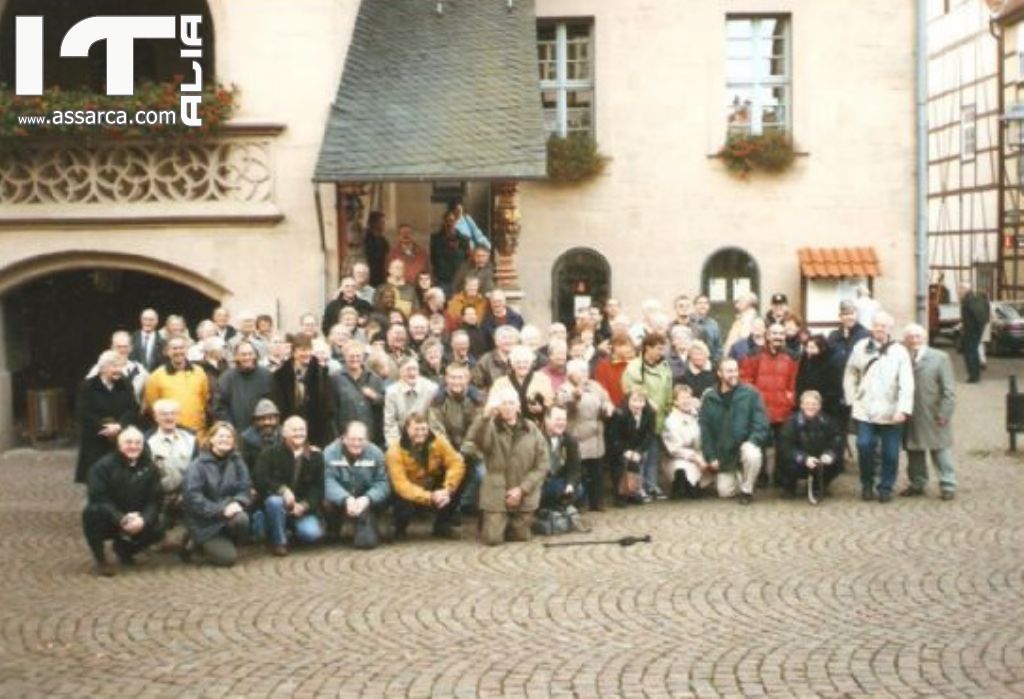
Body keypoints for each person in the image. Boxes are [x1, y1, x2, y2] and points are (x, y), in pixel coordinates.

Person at [843, 311, 915, 503]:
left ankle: (886, 487)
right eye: (876, 325)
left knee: (890, 453)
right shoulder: (860, 347)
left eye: (883, 326)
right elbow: (850, 373)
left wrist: (903, 408)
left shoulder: (899, 351)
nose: (879, 329)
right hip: (865, 408)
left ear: (890, 328)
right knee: (864, 445)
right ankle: (867, 483)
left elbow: (907, 382)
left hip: (891, 410)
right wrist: (852, 398)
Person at [467, 386, 549, 545]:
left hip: (523, 491)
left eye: (511, 403)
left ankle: (514, 520)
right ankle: (490, 518)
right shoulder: (489, 427)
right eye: (503, 403)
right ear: (498, 407)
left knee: (521, 536)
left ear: (518, 406)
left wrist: (522, 489)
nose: (508, 407)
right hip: (497, 490)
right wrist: (484, 418)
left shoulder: (532, 429)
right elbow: (474, 439)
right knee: (493, 539)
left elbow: (542, 464)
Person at [82, 427, 164, 576]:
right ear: (119, 445)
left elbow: (155, 499)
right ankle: (100, 560)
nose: (133, 446)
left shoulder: (150, 467)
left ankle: (125, 549)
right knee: (91, 513)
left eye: (138, 443)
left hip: (137, 516)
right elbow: (98, 498)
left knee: (159, 528)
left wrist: (144, 520)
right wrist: (121, 518)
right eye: (128, 442)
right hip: (109, 516)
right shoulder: (101, 467)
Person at [699, 358, 770, 504]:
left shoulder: (751, 394)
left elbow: (761, 423)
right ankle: (741, 475)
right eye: (729, 371)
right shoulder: (709, 397)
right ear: (719, 373)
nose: (734, 374)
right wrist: (711, 457)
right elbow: (705, 431)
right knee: (725, 492)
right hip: (724, 453)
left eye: (736, 370)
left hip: (745, 445)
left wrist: (752, 441)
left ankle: (747, 489)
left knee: (752, 454)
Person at [182, 422, 252, 567]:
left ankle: (226, 542)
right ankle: (196, 541)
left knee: (242, 519)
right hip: (204, 522)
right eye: (220, 436)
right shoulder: (197, 465)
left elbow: (245, 487)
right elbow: (193, 499)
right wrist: (221, 510)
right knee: (228, 560)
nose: (225, 439)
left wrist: (238, 502)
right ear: (211, 439)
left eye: (229, 436)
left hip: (228, 517)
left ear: (233, 441)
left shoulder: (237, 461)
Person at [386, 412, 466, 540]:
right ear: (406, 429)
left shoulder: (439, 441)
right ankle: (399, 527)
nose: (420, 433)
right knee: (398, 493)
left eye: (424, 429)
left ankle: (442, 524)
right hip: (409, 490)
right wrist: (430, 497)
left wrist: (447, 489)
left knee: (461, 474)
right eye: (416, 429)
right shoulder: (394, 451)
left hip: (433, 486)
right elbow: (401, 485)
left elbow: (456, 462)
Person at [252, 416, 325, 556]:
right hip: (277, 505)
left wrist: (304, 506)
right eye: (294, 430)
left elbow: (318, 489)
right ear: (284, 433)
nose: (299, 433)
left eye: (302, 430)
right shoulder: (270, 453)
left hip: (301, 509)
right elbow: (259, 478)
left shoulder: (316, 456)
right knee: (274, 501)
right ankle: (279, 542)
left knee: (312, 534)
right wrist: (282, 490)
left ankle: (286, 531)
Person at [902, 323, 958, 500]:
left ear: (924, 337)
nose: (914, 340)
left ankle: (948, 484)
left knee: (940, 450)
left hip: (933, 412)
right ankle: (917, 482)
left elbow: (949, 390)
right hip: (910, 412)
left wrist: (945, 413)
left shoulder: (940, 357)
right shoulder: (903, 357)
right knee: (914, 449)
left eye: (917, 336)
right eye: (910, 337)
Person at [742, 322, 798, 481]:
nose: (778, 337)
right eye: (774, 333)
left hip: (783, 409)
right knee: (760, 444)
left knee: (783, 446)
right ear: (767, 335)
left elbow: (795, 382)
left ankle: (781, 478)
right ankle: (761, 476)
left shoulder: (792, 356)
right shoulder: (753, 355)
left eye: (781, 334)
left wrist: (790, 399)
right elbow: (746, 380)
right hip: (761, 409)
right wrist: (752, 403)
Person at [322, 421, 391, 549]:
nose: (356, 443)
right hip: (340, 500)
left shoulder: (376, 454)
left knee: (366, 543)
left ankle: (369, 524)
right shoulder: (330, 452)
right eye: (352, 439)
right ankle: (333, 529)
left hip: (365, 502)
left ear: (367, 440)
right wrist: (346, 499)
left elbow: (383, 483)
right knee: (327, 502)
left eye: (361, 440)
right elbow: (328, 481)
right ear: (343, 438)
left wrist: (367, 499)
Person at [75, 350, 139, 484]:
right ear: (103, 368)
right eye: (114, 366)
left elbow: (132, 408)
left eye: (120, 366)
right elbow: (84, 413)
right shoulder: (88, 386)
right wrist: (104, 428)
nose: (118, 370)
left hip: (120, 440)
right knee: (97, 481)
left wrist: (120, 425)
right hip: (96, 441)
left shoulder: (125, 384)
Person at [622, 333, 673, 499]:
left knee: (654, 455)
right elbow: (631, 388)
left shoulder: (664, 367)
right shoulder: (635, 367)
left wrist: (668, 408)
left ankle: (652, 485)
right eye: (658, 348)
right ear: (647, 348)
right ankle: (638, 487)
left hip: (660, 418)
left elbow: (668, 390)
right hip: (642, 417)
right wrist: (648, 401)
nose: (661, 352)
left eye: (663, 348)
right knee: (642, 453)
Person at [558, 359, 613, 511]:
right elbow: (564, 404)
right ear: (571, 374)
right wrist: (576, 396)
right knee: (579, 470)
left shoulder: (595, 386)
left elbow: (606, 400)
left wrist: (607, 407)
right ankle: (580, 502)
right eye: (580, 371)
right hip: (577, 434)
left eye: (586, 370)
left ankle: (598, 501)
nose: (585, 374)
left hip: (595, 435)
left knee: (597, 470)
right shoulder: (564, 388)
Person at [428, 363, 484, 514]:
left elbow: (477, 428)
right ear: (446, 379)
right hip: (447, 450)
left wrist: (464, 452)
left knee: (481, 474)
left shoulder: (478, 399)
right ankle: (446, 512)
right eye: (452, 377)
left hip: (473, 449)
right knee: (442, 473)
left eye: (460, 377)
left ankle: (470, 507)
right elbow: (436, 429)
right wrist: (451, 453)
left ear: (467, 379)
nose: (456, 381)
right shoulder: (437, 400)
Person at [146, 399, 197, 546]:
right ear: (155, 417)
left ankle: (190, 535)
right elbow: (146, 479)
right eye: (164, 414)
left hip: (187, 496)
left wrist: (184, 493)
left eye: (173, 413)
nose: (169, 417)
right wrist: (159, 495)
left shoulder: (191, 440)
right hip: (159, 498)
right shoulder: (146, 442)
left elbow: (197, 472)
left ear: (178, 416)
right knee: (153, 534)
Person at [270, 334, 336, 447]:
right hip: (290, 430)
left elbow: (329, 405)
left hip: (316, 433)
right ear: (294, 352)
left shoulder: (321, 374)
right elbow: (278, 404)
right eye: (302, 350)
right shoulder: (280, 375)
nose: (306, 354)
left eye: (308, 350)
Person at [776, 390, 844, 499]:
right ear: (801, 405)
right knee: (787, 462)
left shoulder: (827, 422)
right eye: (807, 404)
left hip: (819, 460)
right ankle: (789, 487)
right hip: (799, 460)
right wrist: (804, 459)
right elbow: (785, 447)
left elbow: (836, 440)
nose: (810, 407)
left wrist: (829, 454)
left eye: (814, 404)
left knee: (836, 462)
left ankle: (819, 485)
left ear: (819, 406)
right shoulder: (791, 422)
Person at [143, 336, 210, 434]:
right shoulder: (156, 376)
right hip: (170, 431)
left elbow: (205, 399)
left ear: (187, 350)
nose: (178, 351)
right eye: (174, 348)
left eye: (181, 348)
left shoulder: (199, 372)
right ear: (167, 351)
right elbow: (153, 406)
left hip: (197, 431)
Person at [607, 387, 658, 505]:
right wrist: (625, 451)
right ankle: (620, 495)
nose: (638, 404)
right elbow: (613, 437)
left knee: (636, 463)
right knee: (620, 464)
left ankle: (633, 492)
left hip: (637, 447)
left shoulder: (650, 413)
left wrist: (638, 451)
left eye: (641, 401)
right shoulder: (620, 414)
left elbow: (649, 435)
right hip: (619, 447)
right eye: (634, 400)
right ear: (628, 401)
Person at [331, 340, 385, 447]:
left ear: (363, 357)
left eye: (358, 356)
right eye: (351, 356)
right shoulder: (335, 379)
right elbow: (332, 411)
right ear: (345, 356)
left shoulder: (374, 379)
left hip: (370, 437)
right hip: (345, 436)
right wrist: (337, 436)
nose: (355, 359)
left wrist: (375, 397)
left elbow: (385, 405)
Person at [662, 384, 712, 499]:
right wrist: (696, 458)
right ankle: (680, 484)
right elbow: (675, 449)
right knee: (682, 470)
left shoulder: (697, 415)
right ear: (675, 402)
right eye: (682, 398)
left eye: (688, 397)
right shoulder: (670, 421)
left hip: (699, 454)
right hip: (678, 458)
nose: (686, 401)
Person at [827, 300, 870, 431]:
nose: (848, 317)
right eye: (845, 314)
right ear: (840, 316)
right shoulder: (834, 336)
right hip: (837, 389)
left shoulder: (865, 335)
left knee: (859, 430)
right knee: (838, 429)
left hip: (858, 390)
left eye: (851, 313)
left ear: (856, 314)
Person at [214, 340, 273, 431]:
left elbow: (273, 403)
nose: (247, 357)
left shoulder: (266, 376)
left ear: (255, 355)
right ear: (236, 357)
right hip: (236, 432)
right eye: (243, 355)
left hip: (262, 431)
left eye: (250, 354)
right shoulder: (226, 378)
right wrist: (231, 428)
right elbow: (220, 407)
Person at [489, 345, 554, 423]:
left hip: (537, 425)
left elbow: (551, 405)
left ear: (531, 363)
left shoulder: (543, 379)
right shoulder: (500, 383)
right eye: (518, 362)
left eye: (525, 362)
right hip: (508, 425)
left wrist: (542, 409)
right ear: (512, 364)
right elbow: (491, 407)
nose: (522, 365)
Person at [383, 356, 439, 447]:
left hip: (427, 439)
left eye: (415, 369)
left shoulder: (432, 389)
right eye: (408, 370)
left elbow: (435, 422)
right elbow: (390, 424)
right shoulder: (391, 392)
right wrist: (396, 448)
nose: (412, 373)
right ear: (400, 372)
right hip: (402, 439)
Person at [540, 404, 584, 511]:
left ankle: (558, 508)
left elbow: (575, 468)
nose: (561, 423)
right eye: (557, 419)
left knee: (578, 489)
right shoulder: (537, 438)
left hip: (558, 480)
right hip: (540, 482)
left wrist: (570, 484)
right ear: (547, 419)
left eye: (564, 420)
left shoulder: (569, 440)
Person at [795, 335, 843, 422]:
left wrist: (820, 403)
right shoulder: (803, 362)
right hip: (805, 405)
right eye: (807, 347)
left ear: (821, 349)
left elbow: (834, 388)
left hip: (825, 407)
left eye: (812, 347)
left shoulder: (830, 365)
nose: (809, 351)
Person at [431, 210, 470, 294]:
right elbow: (433, 259)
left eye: (452, 221)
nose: (449, 223)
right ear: (443, 221)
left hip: (459, 279)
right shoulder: (435, 239)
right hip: (442, 280)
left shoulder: (464, 240)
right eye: (447, 221)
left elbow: (467, 260)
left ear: (456, 222)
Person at [958, 280, 990, 384]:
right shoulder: (971, 299)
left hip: (971, 330)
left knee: (971, 353)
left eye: (960, 289)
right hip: (972, 330)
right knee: (972, 352)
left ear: (965, 289)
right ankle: (974, 375)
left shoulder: (971, 300)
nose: (958, 291)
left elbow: (979, 315)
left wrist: (976, 327)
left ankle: (974, 376)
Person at [593, 332, 634, 407]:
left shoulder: (634, 365)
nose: (629, 349)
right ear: (615, 347)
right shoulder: (603, 365)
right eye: (625, 346)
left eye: (630, 346)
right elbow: (601, 389)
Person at [239, 398, 282, 470]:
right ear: (255, 421)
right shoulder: (246, 439)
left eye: (270, 418)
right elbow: (244, 467)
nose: (267, 422)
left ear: (277, 419)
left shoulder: (285, 435)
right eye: (262, 419)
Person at [473, 325, 517, 390]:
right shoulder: (486, 360)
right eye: (504, 338)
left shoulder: (522, 358)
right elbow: (475, 385)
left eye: (511, 338)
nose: (508, 341)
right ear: (496, 342)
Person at [723, 292, 759, 357]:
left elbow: (743, 338)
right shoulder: (741, 317)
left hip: (740, 355)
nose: (737, 303)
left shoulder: (750, 318)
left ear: (748, 303)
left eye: (741, 300)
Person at [130, 307, 165, 372]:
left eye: (151, 320)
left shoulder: (163, 342)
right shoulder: (131, 339)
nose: (148, 322)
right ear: (141, 320)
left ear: (157, 321)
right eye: (145, 319)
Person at [690, 295, 722, 363]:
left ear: (709, 307)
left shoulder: (713, 324)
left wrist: (715, 361)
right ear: (694, 306)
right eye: (700, 303)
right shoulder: (689, 322)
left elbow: (718, 346)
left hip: (709, 362)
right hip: (691, 362)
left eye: (705, 303)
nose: (703, 306)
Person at [364, 210, 390, 287]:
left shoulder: (383, 240)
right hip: (369, 276)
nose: (384, 225)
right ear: (374, 223)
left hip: (381, 277)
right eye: (382, 222)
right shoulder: (366, 239)